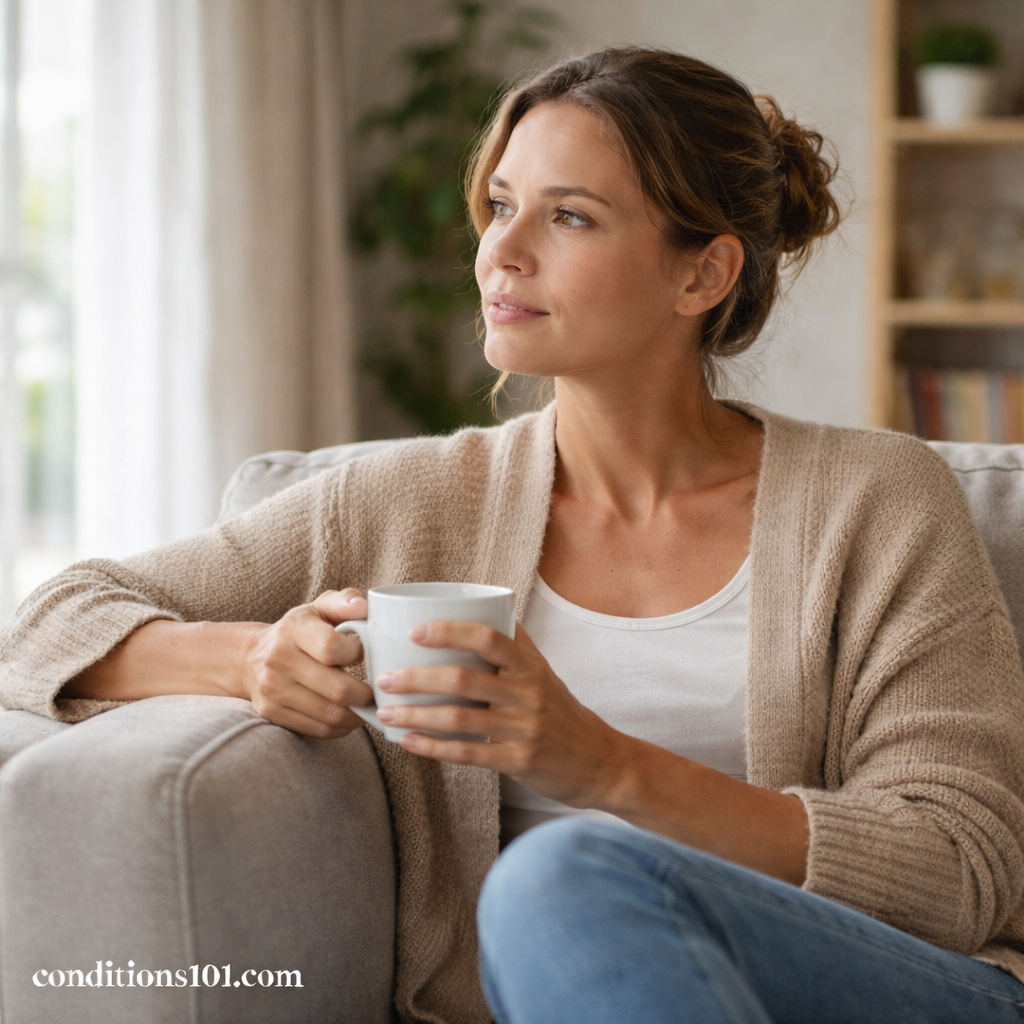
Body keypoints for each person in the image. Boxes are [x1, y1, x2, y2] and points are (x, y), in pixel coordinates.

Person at [2, 45, 1023, 1024]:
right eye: (499, 205)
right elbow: (46, 619)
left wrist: (603, 767)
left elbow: (960, 864)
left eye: (568, 216)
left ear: (702, 275)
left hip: (879, 985)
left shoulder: (882, 501)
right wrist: (251, 656)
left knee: (562, 873)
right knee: (555, 888)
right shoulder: (409, 501)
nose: (503, 249)